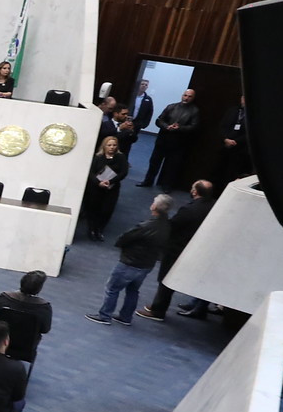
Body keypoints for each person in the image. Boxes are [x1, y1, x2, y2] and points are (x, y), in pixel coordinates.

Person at [89, 194, 174, 326]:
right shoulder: (167, 225)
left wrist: (121, 245)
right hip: (147, 264)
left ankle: (105, 315)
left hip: (130, 262)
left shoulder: (146, 226)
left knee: (112, 288)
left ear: (155, 207)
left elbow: (125, 238)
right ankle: (126, 316)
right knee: (133, 290)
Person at [138, 180, 217, 321]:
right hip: (197, 247)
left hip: (177, 249)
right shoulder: (214, 205)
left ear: (195, 192)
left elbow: (174, 225)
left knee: (166, 279)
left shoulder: (189, 210)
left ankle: (158, 310)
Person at [143, 88, 202, 187]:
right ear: (182, 95)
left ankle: (166, 186)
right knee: (154, 162)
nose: (186, 98)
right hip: (163, 140)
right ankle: (148, 181)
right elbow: (159, 120)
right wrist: (166, 126)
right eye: (185, 95)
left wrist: (180, 128)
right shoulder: (171, 107)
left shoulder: (194, 111)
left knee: (171, 166)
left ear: (193, 98)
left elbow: (194, 127)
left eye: (189, 96)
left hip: (178, 143)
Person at [80, 133, 129, 241]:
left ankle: (100, 229)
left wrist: (110, 181)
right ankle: (92, 229)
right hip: (96, 188)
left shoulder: (121, 157)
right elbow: (91, 172)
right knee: (93, 209)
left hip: (112, 188)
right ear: (104, 146)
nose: (112, 147)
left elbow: (123, 172)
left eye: (114, 145)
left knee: (107, 210)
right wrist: (98, 182)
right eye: (109, 145)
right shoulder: (98, 157)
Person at [0, 269, 54, 340]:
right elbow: (45, 329)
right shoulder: (44, 308)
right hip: (27, 345)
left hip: (0, 339)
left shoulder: (3, 298)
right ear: (39, 289)